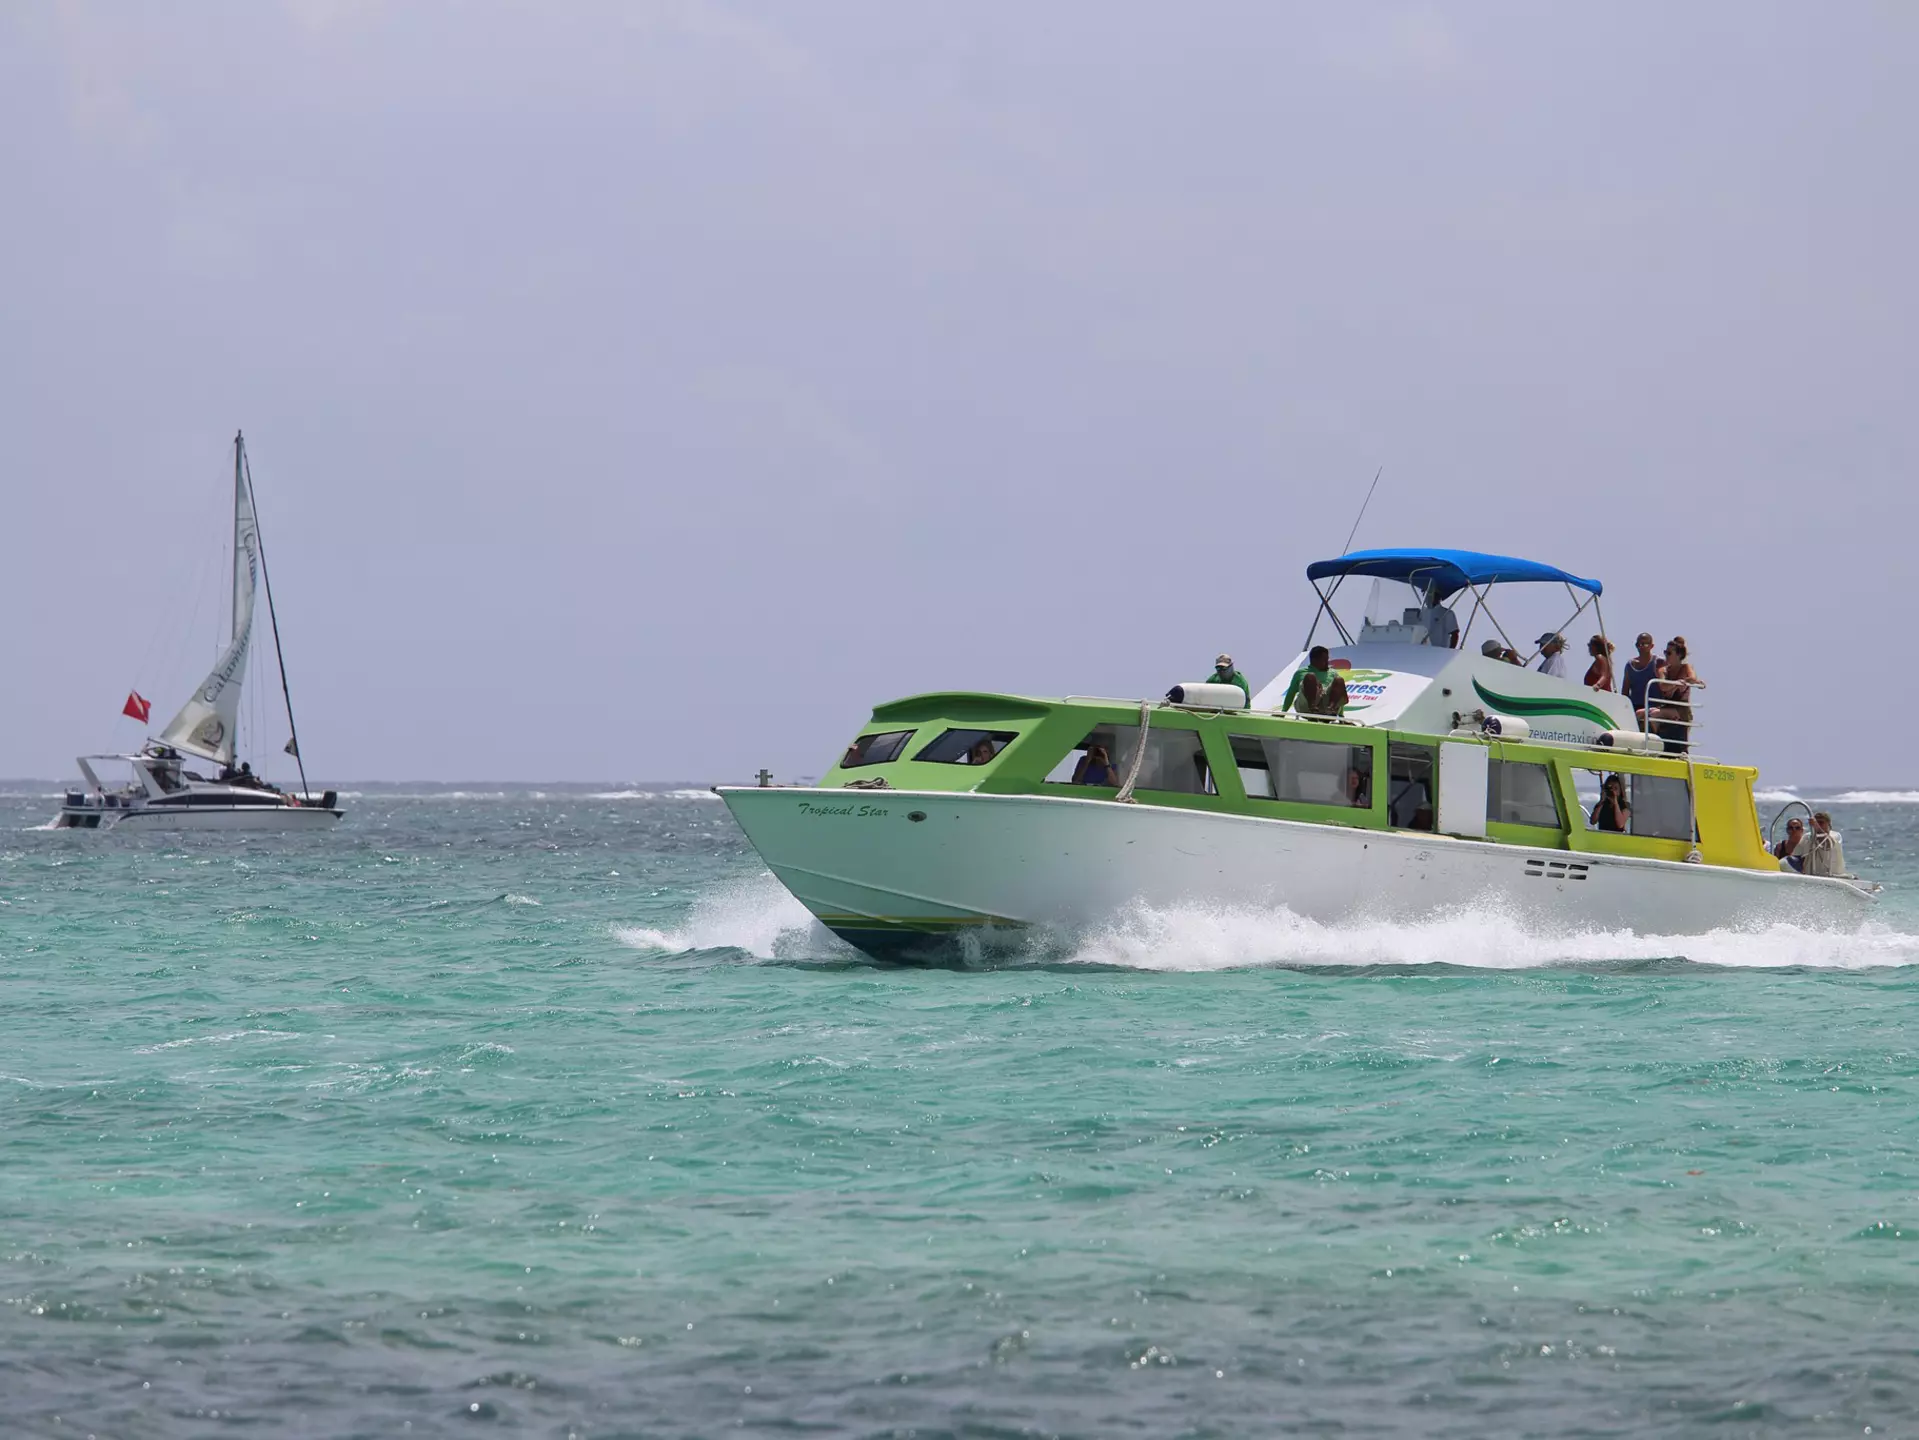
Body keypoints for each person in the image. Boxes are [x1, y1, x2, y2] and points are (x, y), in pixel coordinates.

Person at [1649, 637, 1700, 754]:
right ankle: (1656, 741)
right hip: (1667, 707)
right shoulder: (1663, 670)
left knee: (1654, 714)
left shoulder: (1686, 667)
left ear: (1678, 655)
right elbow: (1663, 686)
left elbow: (1692, 678)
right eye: (1665, 652)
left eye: (1669, 653)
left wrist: (1688, 681)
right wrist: (1677, 684)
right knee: (1640, 713)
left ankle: (1660, 745)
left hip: (1681, 710)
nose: (1666, 655)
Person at [1281, 646, 1349, 716]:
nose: (1327, 663)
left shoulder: (1333, 673)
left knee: (1339, 680)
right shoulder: (1301, 672)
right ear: (1314, 660)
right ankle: (1312, 707)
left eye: (1327, 660)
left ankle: (1331, 709)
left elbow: (1339, 694)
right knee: (1310, 677)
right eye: (1324, 660)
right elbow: (1291, 693)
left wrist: (1341, 717)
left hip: (1325, 706)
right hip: (1305, 706)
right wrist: (1283, 712)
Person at [1620, 632, 1663, 723]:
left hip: (1654, 707)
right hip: (1635, 707)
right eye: (1638, 644)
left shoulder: (1658, 662)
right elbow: (1625, 691)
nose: (1641, 647)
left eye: (1644, 644)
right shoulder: (1630, 665)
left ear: (1651, 646)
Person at [1802, 811, 1846, 877]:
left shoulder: (1835, 836)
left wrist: (1817, 827)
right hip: (1811, 875)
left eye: (1821, 823)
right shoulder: (1807, 837)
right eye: (1816, 822)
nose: (1818, 824)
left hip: (1833, 876)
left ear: (1828, 823)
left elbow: (1827, 845)